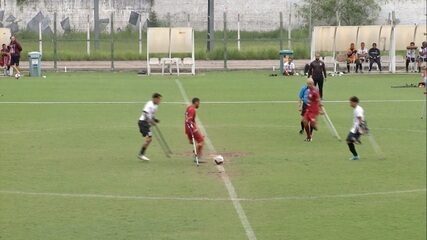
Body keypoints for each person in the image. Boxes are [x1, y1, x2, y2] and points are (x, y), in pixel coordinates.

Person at [137, 93, 162, 161]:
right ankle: (141, 154)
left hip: (146, 123)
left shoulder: (156, 106)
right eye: (159, 99)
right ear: (155, 99)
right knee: (149, 139)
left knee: (149, 139)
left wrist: (155, 119)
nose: (160, 101)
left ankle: (141, 154)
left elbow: (151, 114)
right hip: (143, 123)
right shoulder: (149, 104)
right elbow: (145, 114)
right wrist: (151, 121)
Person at [347, 96, 366, 160]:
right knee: (349, 141)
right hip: (355, 127)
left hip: (357, 128)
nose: (350, 104)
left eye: (351, 102)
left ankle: (356, 139)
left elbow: (360, 118)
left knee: (349, 140)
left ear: (355, 102)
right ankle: (355, 155)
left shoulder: (358, 110)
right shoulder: (356, 108)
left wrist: (361, 129)